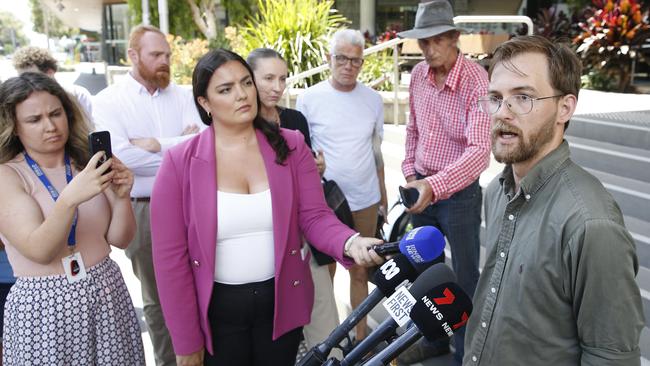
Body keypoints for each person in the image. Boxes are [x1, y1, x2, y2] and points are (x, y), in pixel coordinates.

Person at [150, 48, 384, 366]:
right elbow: (169, 262)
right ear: (204, 103)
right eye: (225, 89)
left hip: (281, 305)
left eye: (246, 83)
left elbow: (314, 215)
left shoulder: (291, 145)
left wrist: (350, 241)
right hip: (217, 313)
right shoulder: (179, 163)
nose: (242, 94)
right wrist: (187, 342)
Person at [464, 35, 645, 365]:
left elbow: (610, 356)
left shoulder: (591, 224)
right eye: (495, 97)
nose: (502, 113)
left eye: (523, 98)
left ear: (565, 107)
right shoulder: (496, 192)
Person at [0, 72, 144, 365]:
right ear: (14, 127)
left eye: (56, 113)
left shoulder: (85, 161)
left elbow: (120, 239)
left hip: (106, 291)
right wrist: (69, 198)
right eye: (34, 119)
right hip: (44, 309)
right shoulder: (8, 175)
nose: (50, 126)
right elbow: (39, 250)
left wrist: (121, 197)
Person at [93, 24, 204, 366]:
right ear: (133, 56)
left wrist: (158, 145)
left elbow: (202, 145)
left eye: (167, 55)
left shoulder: (185, 95)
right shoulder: (108, 101)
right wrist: (178, 148)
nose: (164, 62)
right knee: (159, 299)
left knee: (203, 287)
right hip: (143, 210)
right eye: (156, 55)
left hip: (193, 205)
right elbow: (120, 158)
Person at [396, 0, 491, 362]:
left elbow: (480, 150)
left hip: (459, 195)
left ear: (454, 38)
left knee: (464, 278)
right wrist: (410, 174)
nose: (430, 49)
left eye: (437, 40)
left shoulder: (476, 81)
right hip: (421, 188)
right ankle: (434, 341)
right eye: (424, 42)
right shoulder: (419, 75)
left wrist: (434, 185)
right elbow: (413, 130)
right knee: (425, 271)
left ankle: (466, 354)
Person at [247, 47, 341, 358]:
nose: (277, 87)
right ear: (248, 79)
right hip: (262, 246)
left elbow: (307, 173)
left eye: (283, 79)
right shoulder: (239, 128)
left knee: (326, 329)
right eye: (268, 78)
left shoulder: (295, 119)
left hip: (304, 234)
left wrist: (317, 171)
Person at [296, 29, 387, 343]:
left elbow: (376, 154)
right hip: (325, 205)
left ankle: (360, 341)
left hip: (365, 200)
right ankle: (330, 339)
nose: (349, 66)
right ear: (328, 59)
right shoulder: (308, 99)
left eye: (356, 61)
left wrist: (384, 199)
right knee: (325, 276)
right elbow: (300, 152)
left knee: (360, 271)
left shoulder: (373, 100)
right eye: (342, 58)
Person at [12, 46, 94, 120]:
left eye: (32, 76)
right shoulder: (21, 101)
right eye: (22, 78)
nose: (26, 82)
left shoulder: (78, 95)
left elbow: (90, 127)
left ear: (49, 73)